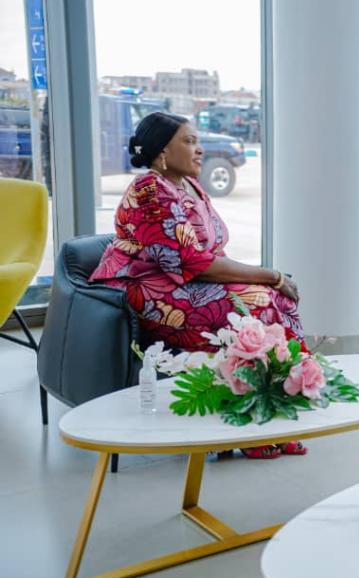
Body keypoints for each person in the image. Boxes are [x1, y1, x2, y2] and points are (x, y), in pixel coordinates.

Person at [90, 112, 306, 460]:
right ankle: (243, 423)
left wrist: (267, 282)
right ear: (162, 150)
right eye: (189, 141)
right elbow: (192, 261)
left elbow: (211, 252)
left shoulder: (189, 185)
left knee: (276, 301)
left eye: (198, 141)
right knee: (256, 306)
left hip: (185, 281)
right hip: (147, 288)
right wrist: (271, 275)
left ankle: (272, 413)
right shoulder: (150, 190)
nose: (200, 149)